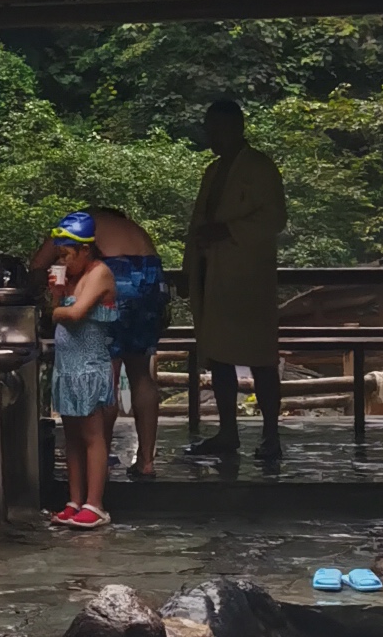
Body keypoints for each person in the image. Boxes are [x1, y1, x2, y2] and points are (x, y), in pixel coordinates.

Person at [183, 95, 287, 463]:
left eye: (217, 129)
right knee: (219, 358)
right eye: (209, 130)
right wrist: (188, 269)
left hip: (248, 279)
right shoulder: (213, 171)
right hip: (213, 276)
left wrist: (228, 230)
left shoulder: (259, 167)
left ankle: (271, 436)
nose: (212, 136)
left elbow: (274, 219)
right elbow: (198, 224)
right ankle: (228, 432)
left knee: (260, 358)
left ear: (236, 128)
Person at [42, 209, 119, 528]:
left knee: (92, 435)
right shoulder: (70, 277)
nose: (63, 261)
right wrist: (57, 294)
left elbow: (75, 315)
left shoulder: (99, 272)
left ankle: (95, 503)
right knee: (71, 436)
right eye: (59, 255)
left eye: (67, 255)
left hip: (89, 366)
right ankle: (74, 500)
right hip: (68, 367)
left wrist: (58, 309)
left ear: (86, 249)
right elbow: (58, 311)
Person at [84, 200, 172, 476]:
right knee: (140, 372)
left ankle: (100, 457)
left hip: (115, 280)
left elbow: (39, 264)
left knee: (108, 374)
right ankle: (146, 461)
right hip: (150, 283)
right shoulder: (133, 230)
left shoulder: (81, 223)